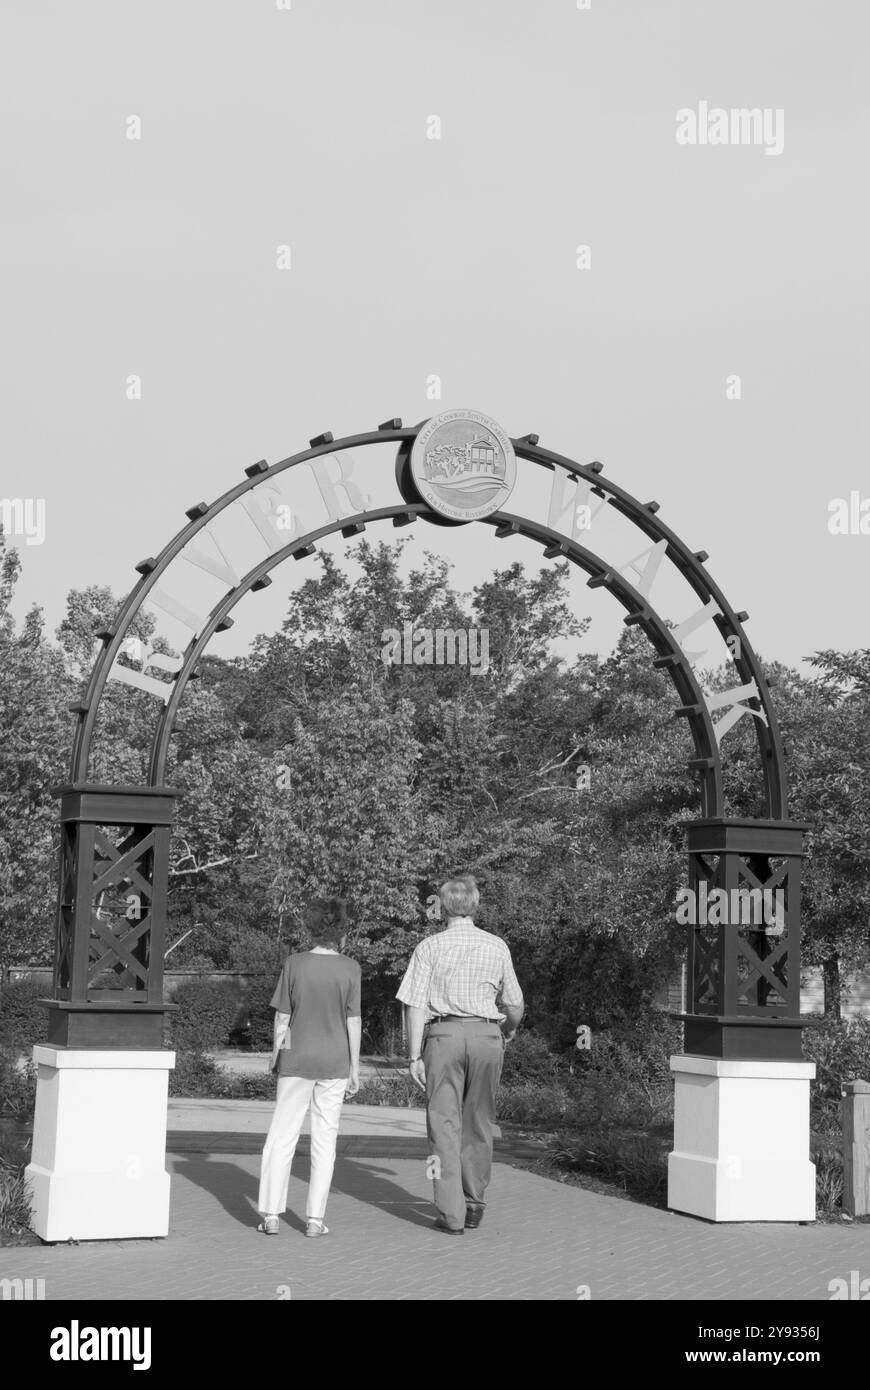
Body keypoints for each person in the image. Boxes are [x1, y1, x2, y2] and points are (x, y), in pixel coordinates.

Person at [396, 875, 524, 1234]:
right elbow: (514, 1003)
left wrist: (413, 1055)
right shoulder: (497, 946)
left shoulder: (429, 947)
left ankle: (450, 1212)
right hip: (486, 1034)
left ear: (443, 907)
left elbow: (416, 1006)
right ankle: (474, 1202)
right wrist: (508, 1028)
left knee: (443, 1123)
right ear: (475, 905)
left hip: (444, 1035)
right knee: (480, 1121)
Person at [257, 898, 361, 1237]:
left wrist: (277, 1053)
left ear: (311, 927)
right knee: (325, 1140)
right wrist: (355, 1067)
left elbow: (282, 1017)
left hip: (296, 1058)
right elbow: (353, 1020)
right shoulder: (350, 968)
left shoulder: (295, 963)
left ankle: (271, 1214)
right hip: (335, 1061)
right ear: (341, 930)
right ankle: (315, 1220)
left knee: (281, 1136)